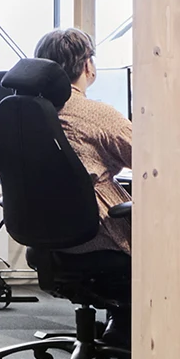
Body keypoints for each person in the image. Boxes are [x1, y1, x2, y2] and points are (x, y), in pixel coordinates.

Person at [32, 27, 131, 252]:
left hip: (45, 240)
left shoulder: (27, 114)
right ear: (87, 66)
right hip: (100, 238)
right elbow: (152, 162)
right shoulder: (96, 115)